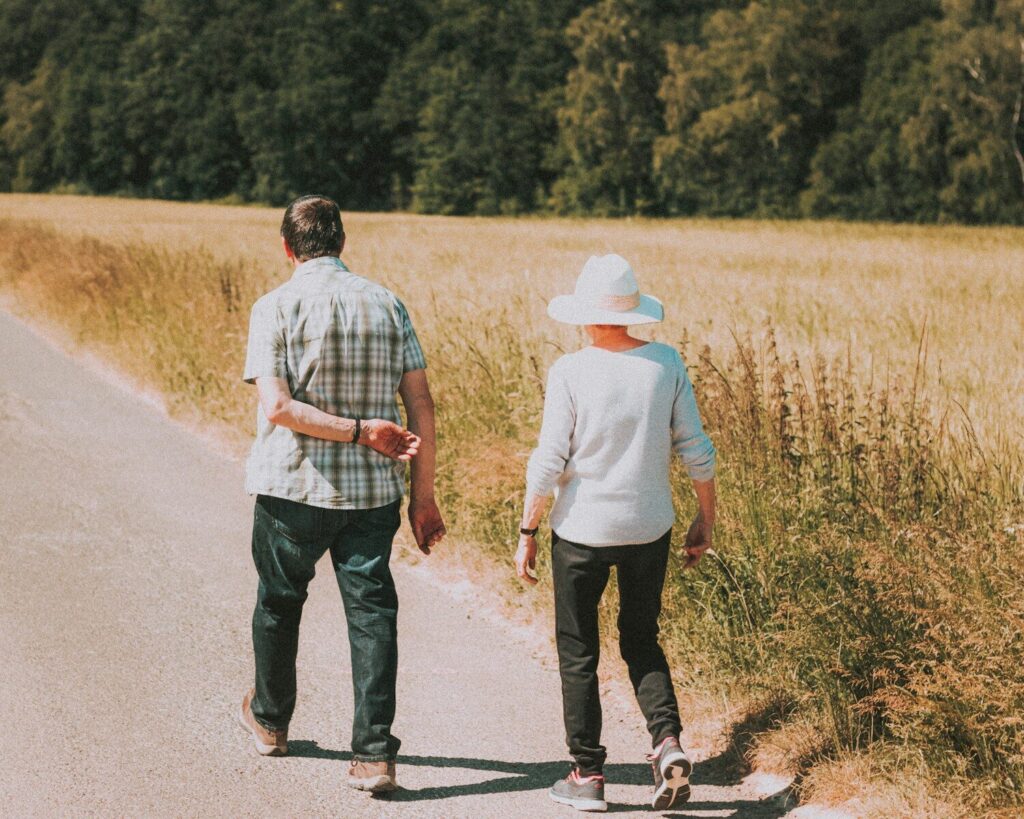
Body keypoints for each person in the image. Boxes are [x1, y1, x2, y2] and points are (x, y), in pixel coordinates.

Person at [237, 194, 445, 794]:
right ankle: (375, 755)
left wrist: (354, 431)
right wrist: (423, 497)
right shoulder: (387, 304)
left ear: (286, 248)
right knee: (373, 615)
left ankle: (271, 722)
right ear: (342, 243)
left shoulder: (273, 306)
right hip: (373, 494)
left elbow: (276, 407)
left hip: (291, 487)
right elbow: (421, 404)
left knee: (279, 602)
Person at [515, 254, 717, 812]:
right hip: (649, 527)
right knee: (641, 639)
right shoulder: (666, 364)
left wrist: (528, 527)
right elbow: (696, 449)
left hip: (581, 531)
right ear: (632, 312)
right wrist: (706, 516)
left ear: (584, 314)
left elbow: (549, 460)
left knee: (578, 649)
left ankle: (587, 776)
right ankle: (667, 742)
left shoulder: (571, 371)